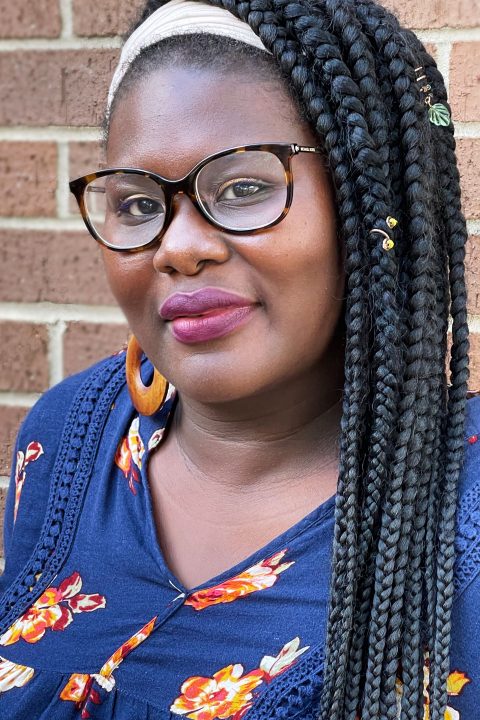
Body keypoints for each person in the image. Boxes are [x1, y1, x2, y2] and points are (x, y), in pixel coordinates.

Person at [0, 0, 478, 718]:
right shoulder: (69, 432)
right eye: (135, 204)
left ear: (366, 207)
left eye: (245, 188)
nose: (178, 245)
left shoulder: (463, 512)